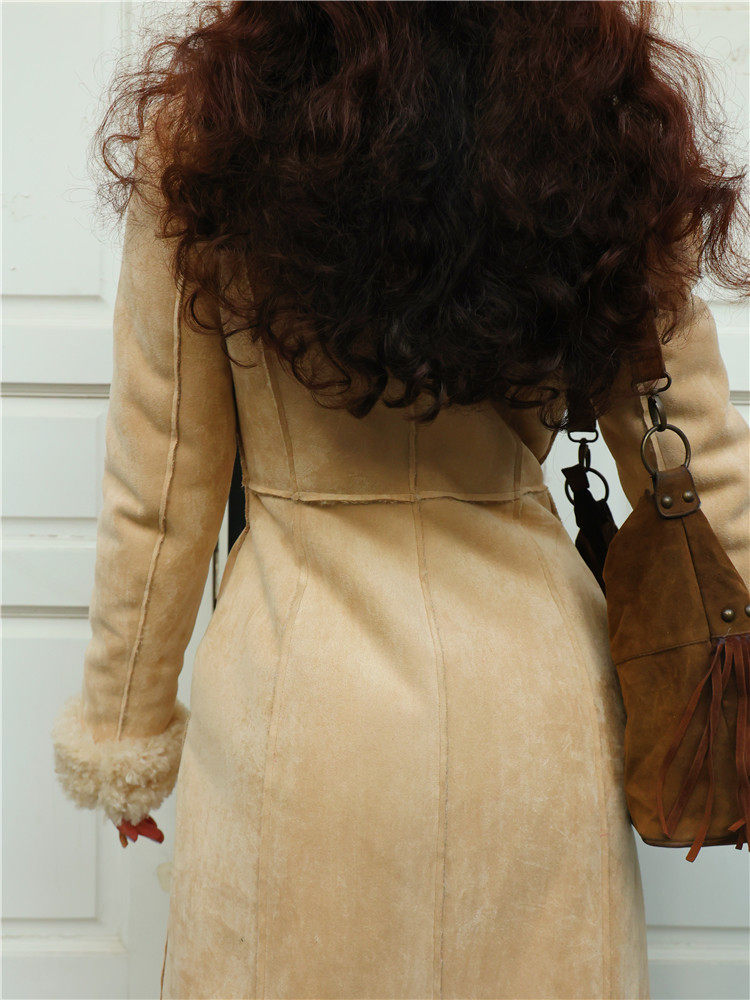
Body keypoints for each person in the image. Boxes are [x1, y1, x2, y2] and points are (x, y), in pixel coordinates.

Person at [50, 3, 749, 998]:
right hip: (534, 712)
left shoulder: (215, 122)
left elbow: (160, 487)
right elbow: (697, 453)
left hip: (301, 703)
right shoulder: (595, 111)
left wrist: (125, 733)